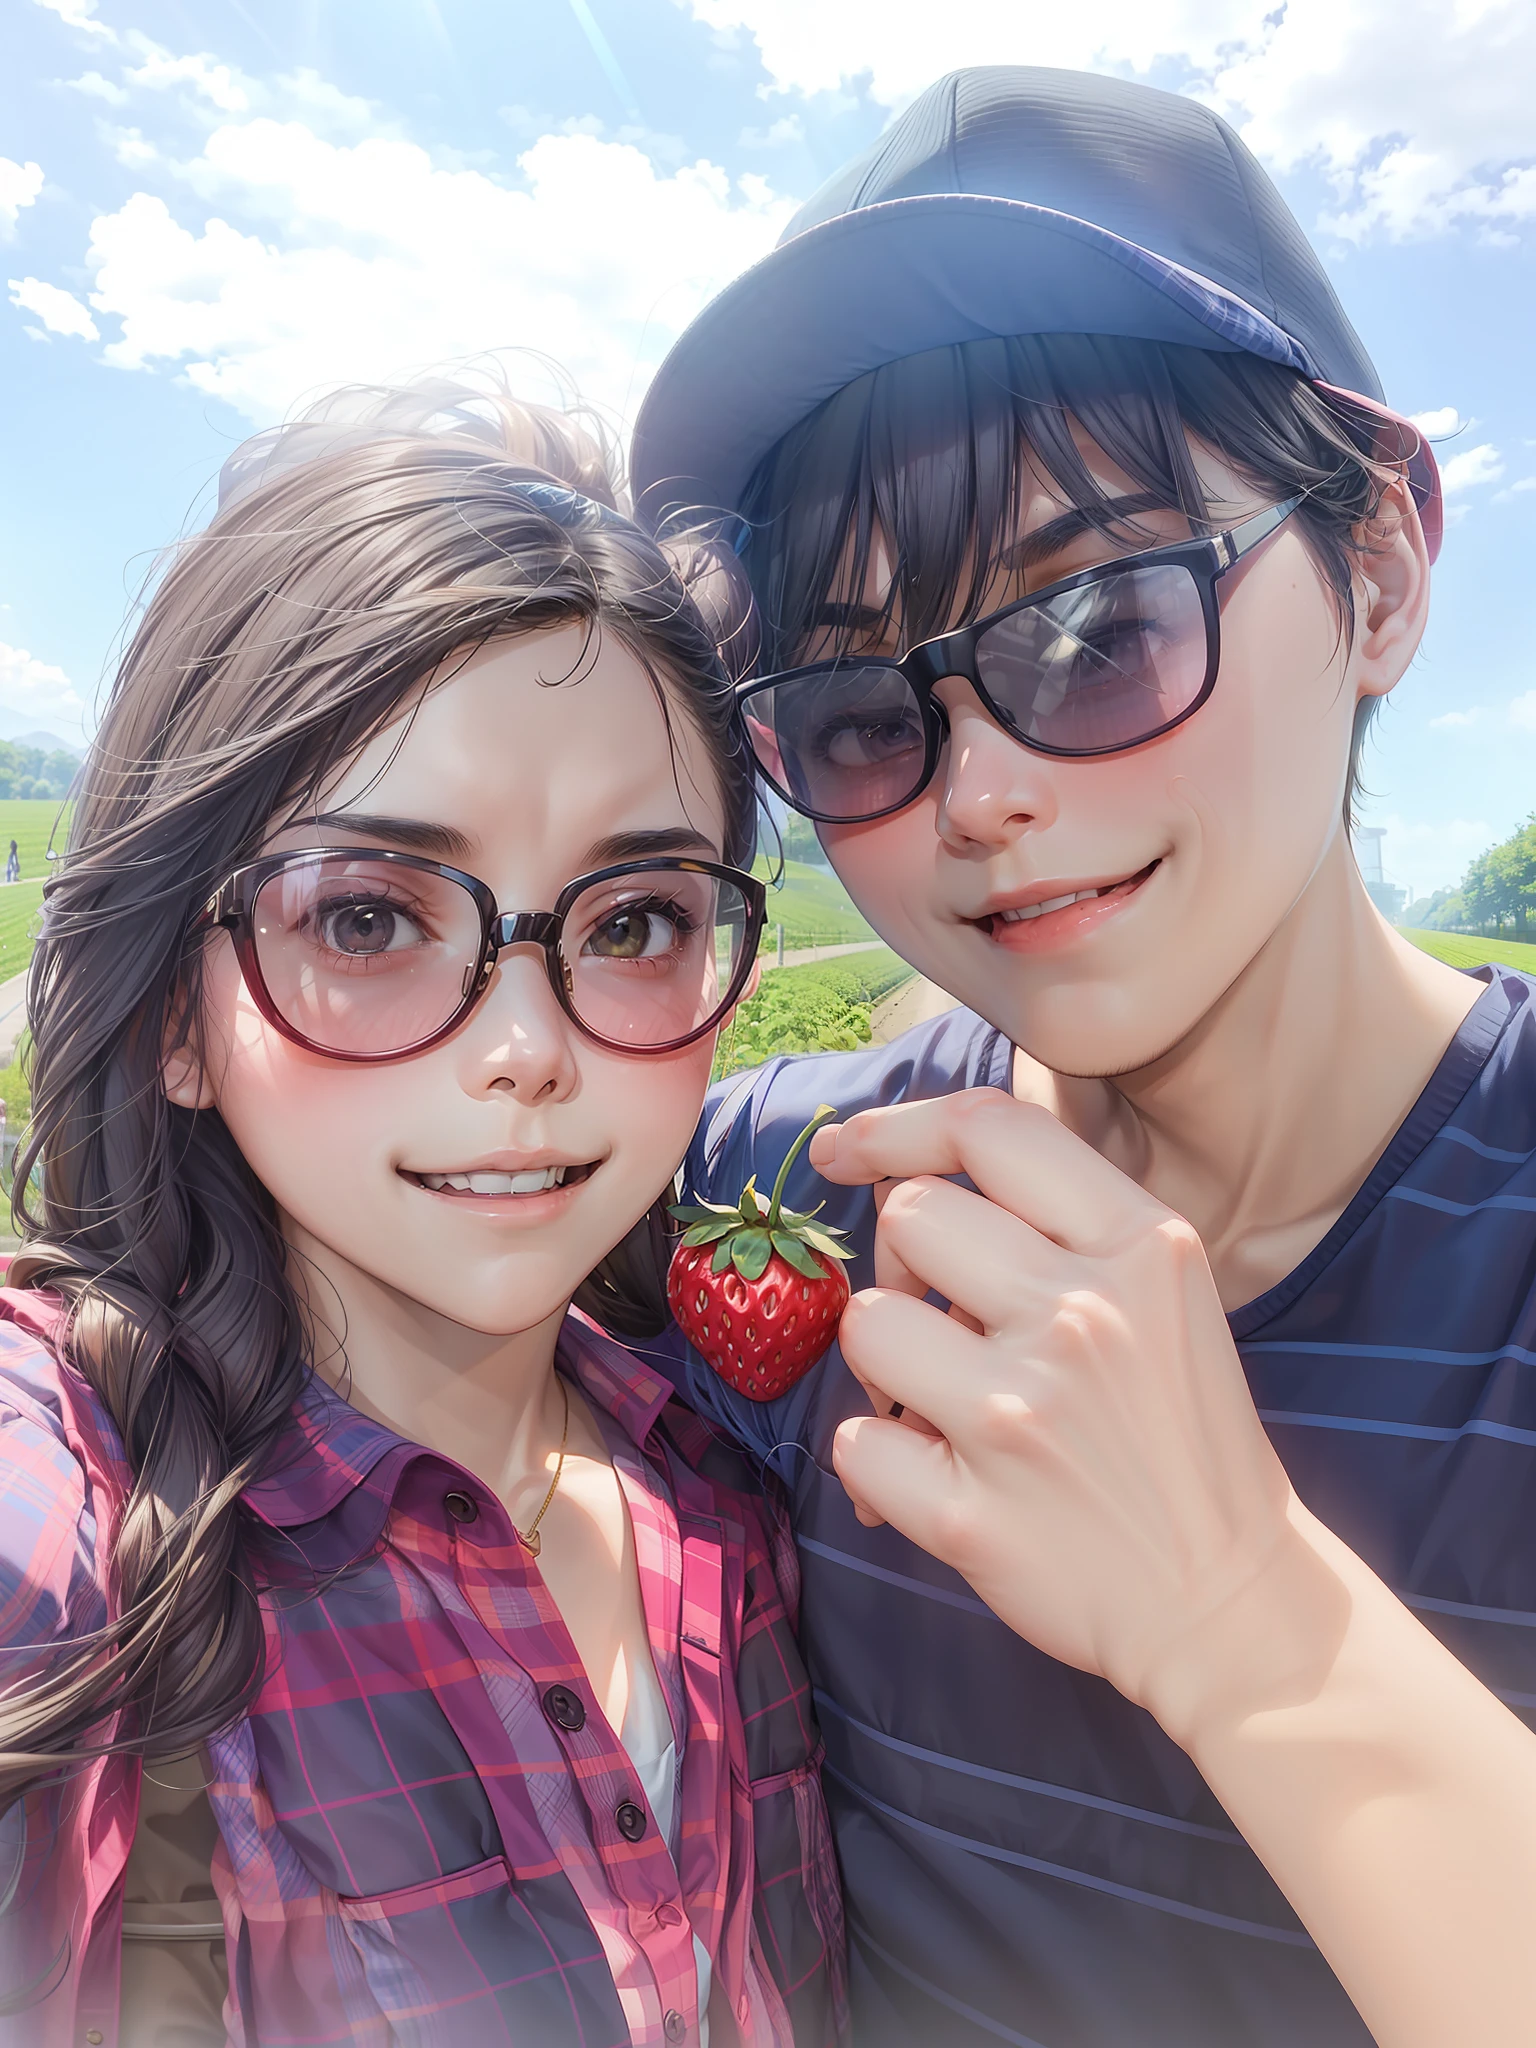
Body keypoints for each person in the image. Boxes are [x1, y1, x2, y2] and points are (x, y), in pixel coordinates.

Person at [630, 66, 1536, 2048]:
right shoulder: (771, 1204)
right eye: (865, 709)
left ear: (1377, 570)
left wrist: (1243, 1620)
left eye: (1101, 619)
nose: (985, 793)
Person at [0, 378, 845, 2048]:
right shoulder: (85, 1509)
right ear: (177, 1007)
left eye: (637, 920)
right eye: (372, 917)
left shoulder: (727, 1485)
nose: (529, 1050)